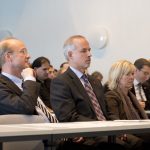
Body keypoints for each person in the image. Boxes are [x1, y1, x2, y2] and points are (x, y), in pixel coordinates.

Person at [50, 35, 128, 150]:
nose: (90, 54)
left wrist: (117, 126)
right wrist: (104, 127)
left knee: (141, 143)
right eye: (84, 51)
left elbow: (106, 111)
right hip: (87, 135)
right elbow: (68, 117)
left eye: (89, 50)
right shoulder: (61, 82)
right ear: (70, 55)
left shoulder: (94, 81)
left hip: (106, 131)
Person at [105, 60, 150, 150]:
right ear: (117, 76)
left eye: (132, 74)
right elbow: (114, 121)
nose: (132, 77)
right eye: (127, 74)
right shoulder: (111, 96)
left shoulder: (130, 95)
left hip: (138, 130)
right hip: (127, 133)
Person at [0, 38, 39, 115]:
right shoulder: (29, 81)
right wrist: (29, 79)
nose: (28, 56)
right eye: (23, 52)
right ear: (8, 56)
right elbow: (25, 108)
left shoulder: (26, 83)